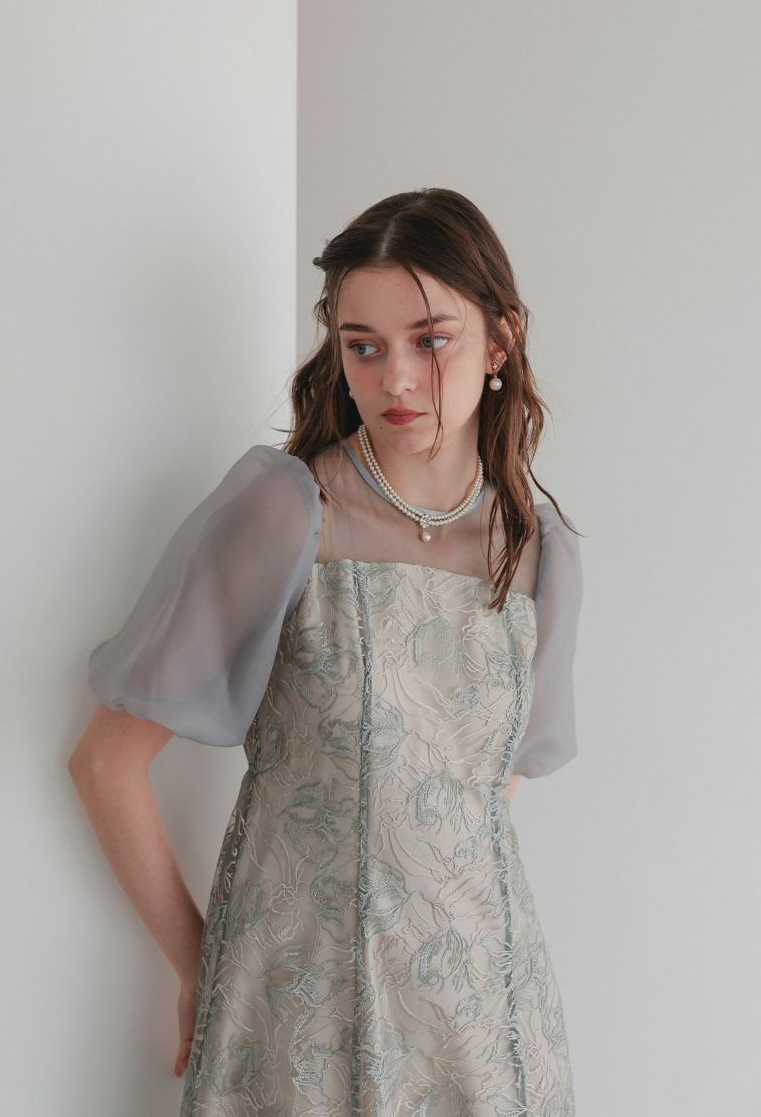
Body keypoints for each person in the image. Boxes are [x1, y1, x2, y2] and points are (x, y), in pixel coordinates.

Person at [68, 187, 584, 1117]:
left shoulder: (538, 550)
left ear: (500, 342)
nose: (396, 380)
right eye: (364, 346)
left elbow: (482, 799)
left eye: (431, 340)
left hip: (490, 1032)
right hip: (298, 1020)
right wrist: (202, 963)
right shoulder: (288, 512)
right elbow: (105, 764)